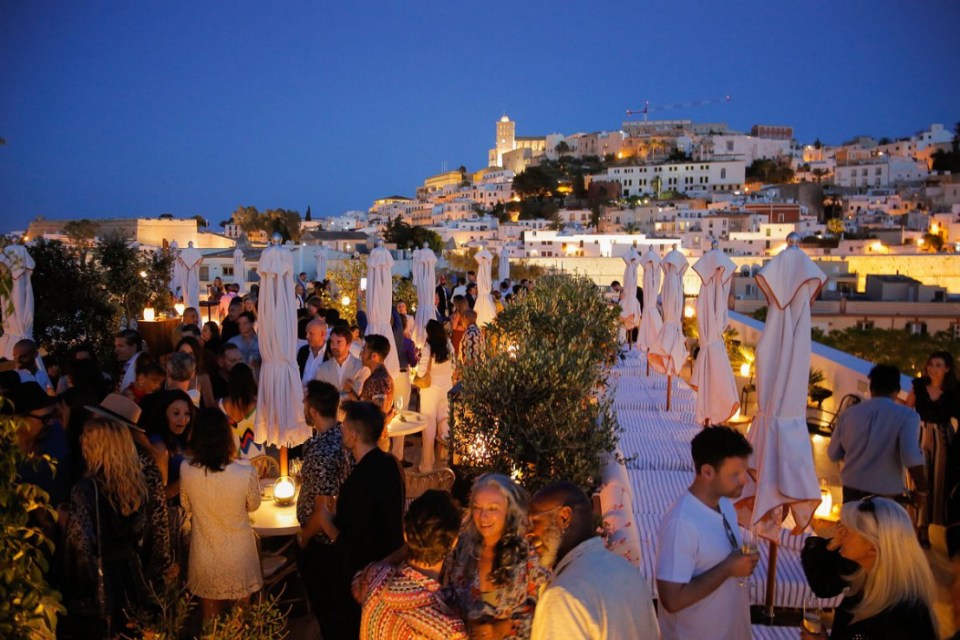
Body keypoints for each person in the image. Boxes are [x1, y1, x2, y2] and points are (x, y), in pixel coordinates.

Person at [302, 400, 405, 640]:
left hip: (366, 572)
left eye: (345, 428)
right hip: (390, 560)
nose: (341, 432)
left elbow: (354, 544)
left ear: (354, 434)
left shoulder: (358, 481)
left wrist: (328, 525)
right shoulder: (391, 464)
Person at [655, 426, 757, 640]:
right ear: (707, 472)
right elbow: (671, 600)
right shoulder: (681, 523)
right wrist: (729, 568)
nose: (744, 481)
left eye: (744, 472)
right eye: (735, 474)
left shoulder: (725, 504)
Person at [59, 416, 157, 638]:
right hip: (131, 575)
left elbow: (80, 545)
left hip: (100, 582)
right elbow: (143, 532)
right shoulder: (137, 485)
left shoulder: (85, 489)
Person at [528, 481, 659, 640]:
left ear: (564, 517)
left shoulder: (563, 595)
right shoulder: (630, 573)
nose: (529, 533)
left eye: (534, 521)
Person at [800, 497, 938, 639]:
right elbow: (821, 581)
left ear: (872, 547)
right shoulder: (862, 587)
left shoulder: (907, 617)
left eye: (848, 530)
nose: (840, 534)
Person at [442, 473, 548, 640]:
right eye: (477, 507)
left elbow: (545, 613)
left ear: (509, 510)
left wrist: (504, 628)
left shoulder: (528, 553)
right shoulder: (461, 548)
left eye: (493, 508)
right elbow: (446, 598)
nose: (483, 517)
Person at [181, 408, 262, 622]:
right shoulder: (245, 472)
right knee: (241, 621)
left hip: (204, 554)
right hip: (239, 555)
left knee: (211, 622)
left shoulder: (186, 470)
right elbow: (253, 505)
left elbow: (185, 504)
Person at [353, 490, 467, 640]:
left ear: (405, 534)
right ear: (453, 542)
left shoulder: (375, 577)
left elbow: (357, 584)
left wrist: (411, 542)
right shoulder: (449, 630)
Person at [828, 364, 927, 505]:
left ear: (871, 387)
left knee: (852, 527)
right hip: (887, 494)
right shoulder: (907, 416)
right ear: (897, 390)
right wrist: (922, 491)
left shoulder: (849, 413)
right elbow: (911, 456)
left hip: (852, 490)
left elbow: (833, 454)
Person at [295, 381, 354, 613]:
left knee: (328, 611)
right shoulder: (344, 436)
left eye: (304, 403)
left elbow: (323, 512)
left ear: (312, 410)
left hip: (322, 546)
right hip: (339, 539)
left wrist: (303, 538)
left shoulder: (321, 451)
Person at [906, 351, 960, 531]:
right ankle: (916, 523)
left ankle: (931, 528)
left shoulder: (953, 390)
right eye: (931, 364)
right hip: (919, 434)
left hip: (942, 437)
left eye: (938, 365)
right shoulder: (919, 385)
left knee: (938, 481)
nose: (933, 369)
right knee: (917, 478)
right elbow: (908, 407)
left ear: (947, 369)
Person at [4, 381, 73, 507]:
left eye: (53, 416)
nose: (51, 423)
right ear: (18, 420)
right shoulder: (6, 459)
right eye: (45, 419)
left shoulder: (54, 436)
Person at [416, 320, 456, 472]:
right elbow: (454, 366)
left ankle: (427, 465)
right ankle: (445, 462)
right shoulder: (448, 344)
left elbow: (421, 371)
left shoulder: (428, 347)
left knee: (428, 426)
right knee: (445, 422)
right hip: (446, 387)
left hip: (430, 389)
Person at [219, 362, 265, 460]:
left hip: (230, 458)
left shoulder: (219, 404)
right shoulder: (260, 405)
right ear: (250, 382)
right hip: (257, 459)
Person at [346, 334, 394, 424]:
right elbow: (365, 405)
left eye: (364, 350)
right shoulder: (377, 377)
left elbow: (379, 416)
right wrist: (350, 392)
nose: (361, 354)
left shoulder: (380, 380)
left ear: (374, 356)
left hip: (373, 435)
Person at [315, 325, 366, 394]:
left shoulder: (361, 367)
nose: (334, 346)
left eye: (339, 342)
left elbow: (359, 396)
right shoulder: (322, 368)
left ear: (348, 344)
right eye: (332, 342)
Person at [176, 337, 216, 408]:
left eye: (191, 354)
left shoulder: (203, 377)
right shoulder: (169, 374)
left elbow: (210, 407)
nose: (186, 357)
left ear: (196, 356)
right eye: (183, 352)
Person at [298, 317, 328, 390]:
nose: (307, 336)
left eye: (311, 333)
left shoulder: (329, 354)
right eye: (306, 333)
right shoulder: (303, 351)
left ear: (322, 334)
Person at [114, 329, 143, 393]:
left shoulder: (140, 365)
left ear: (134, 346)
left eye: (120, 346)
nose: (116, 350)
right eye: (115, 346)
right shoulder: (130, 364)